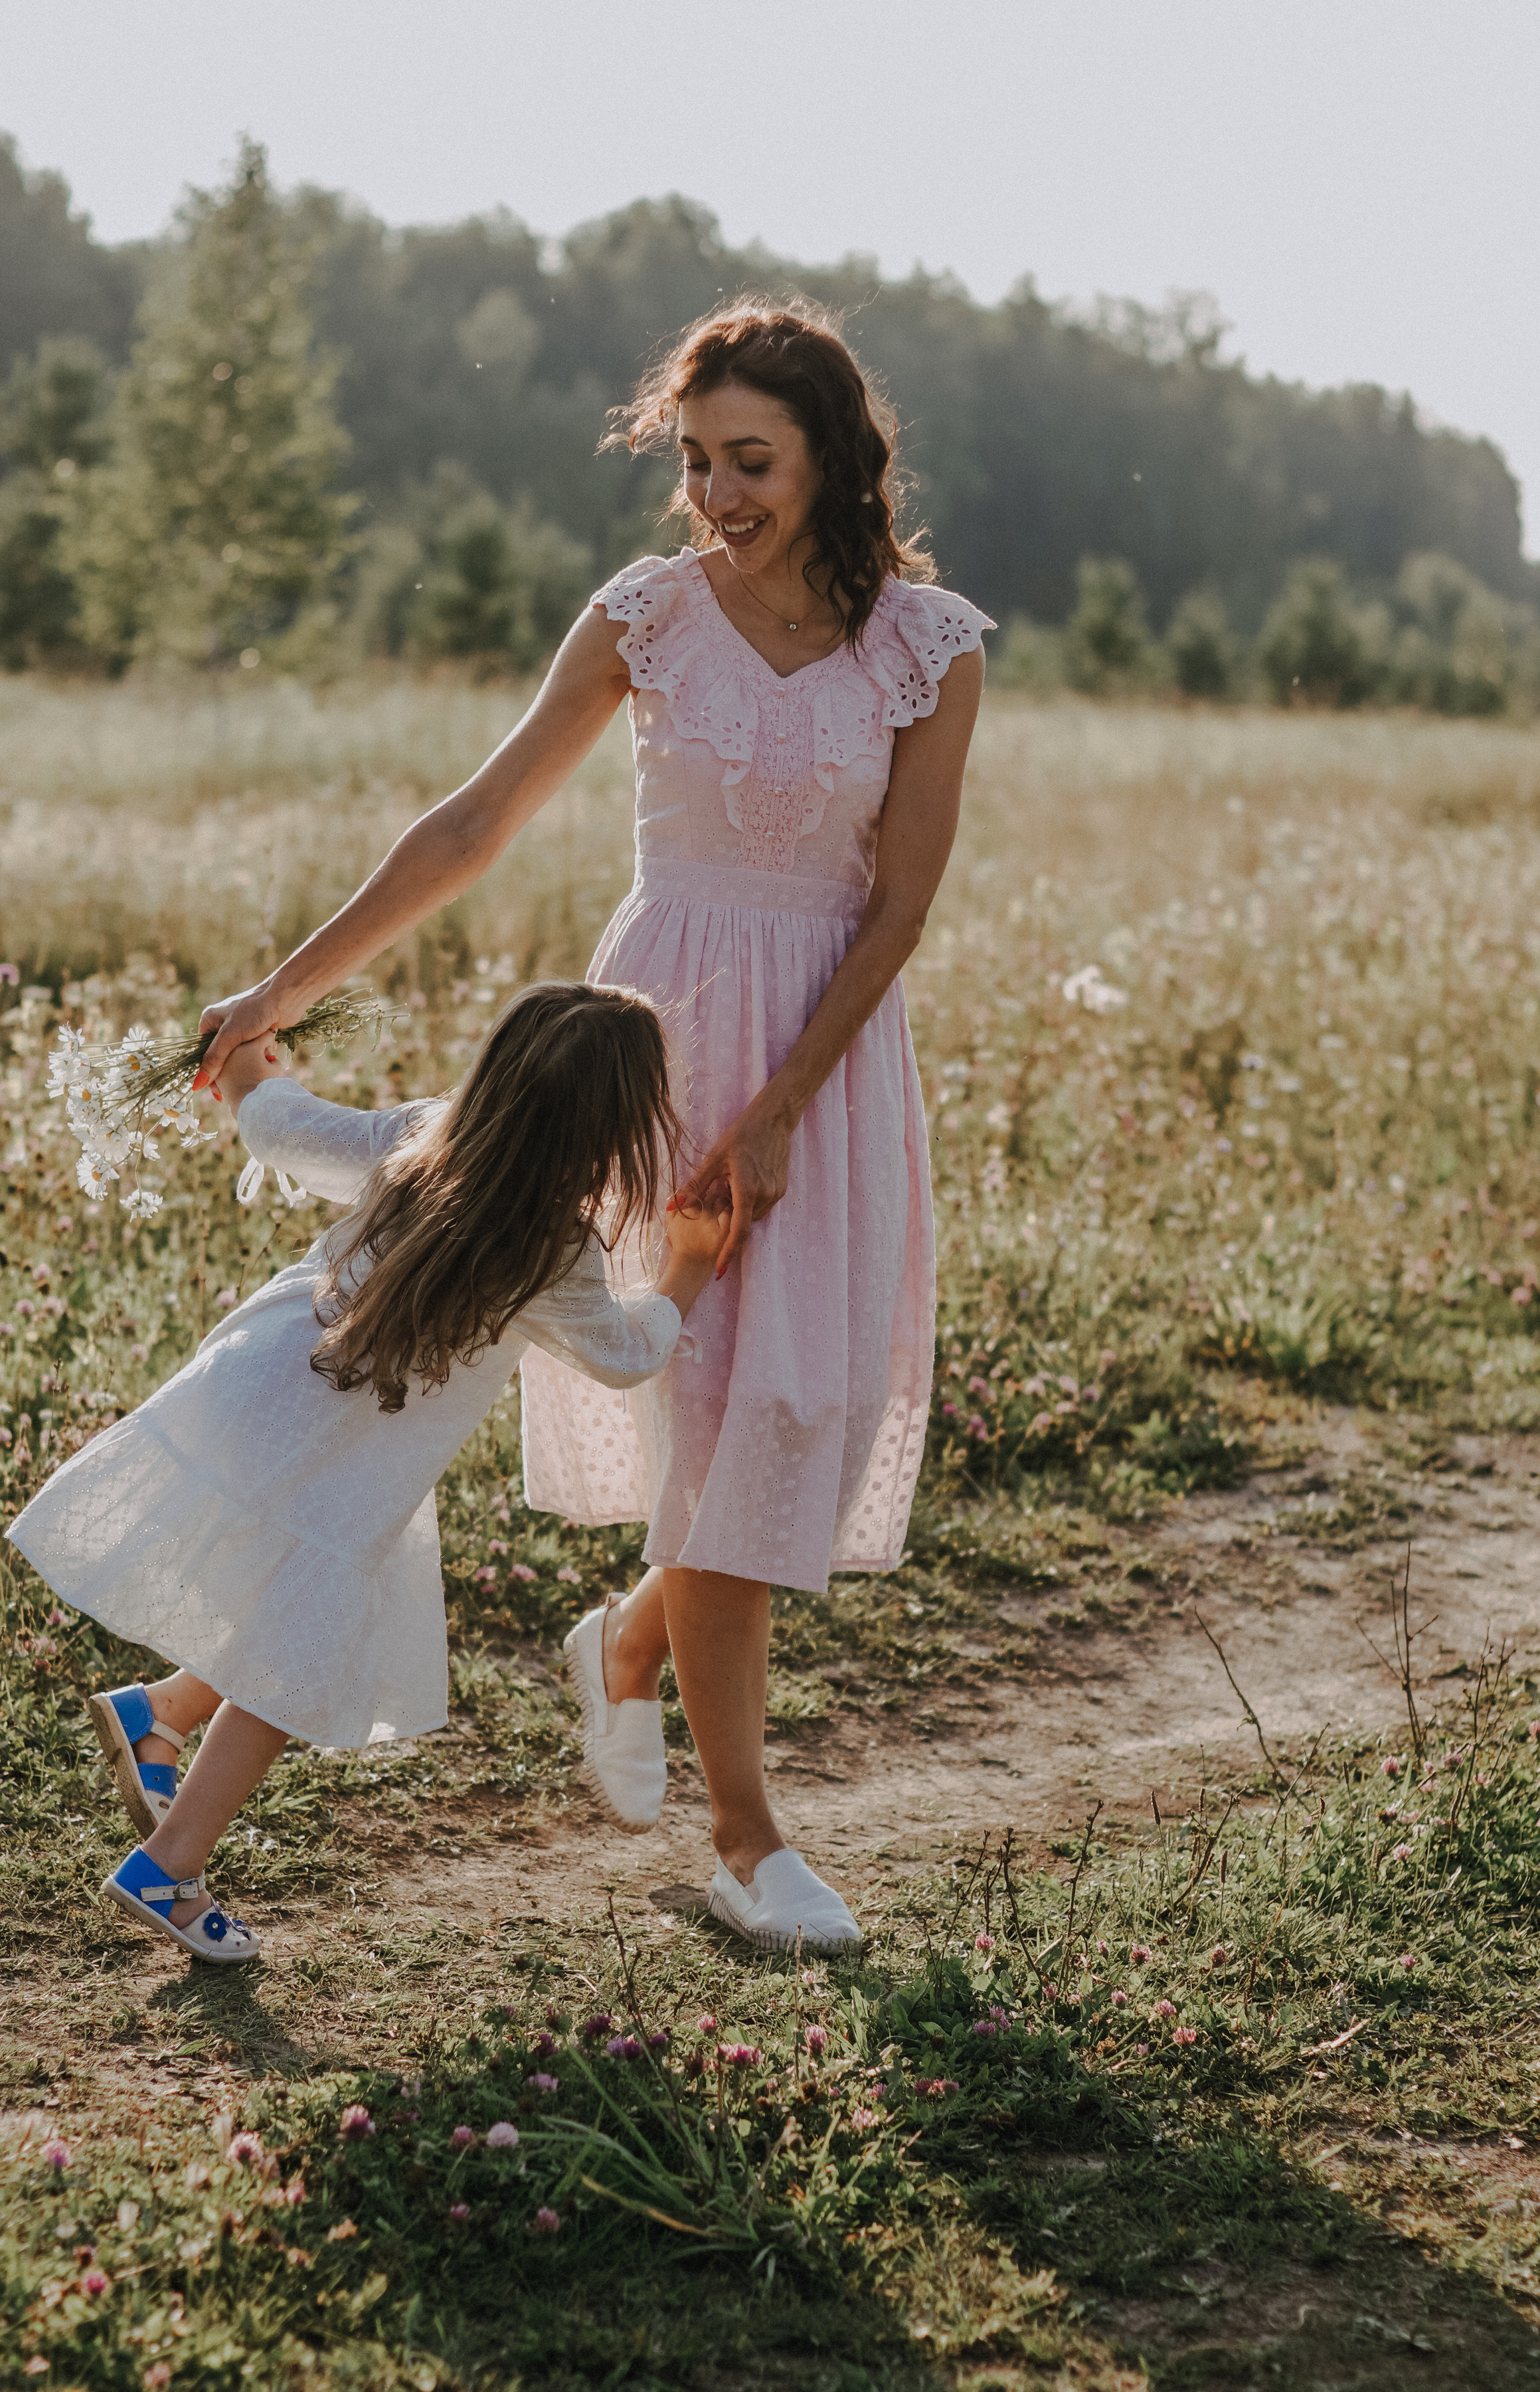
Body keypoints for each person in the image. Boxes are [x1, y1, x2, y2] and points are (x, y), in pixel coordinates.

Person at [195, 302, 991, 1957]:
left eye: (749, 461)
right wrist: (278, 992)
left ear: (832, 457)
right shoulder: (646, 617)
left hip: (826, 1060)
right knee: (704, 1413)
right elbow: (474, 823)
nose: (716, 494)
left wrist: (781, 1109)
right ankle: (746, 1840)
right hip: (647, 1055)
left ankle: (630, 1644)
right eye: (694, 461)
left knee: (792, 1411)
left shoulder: (927, 646)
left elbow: (900, 907)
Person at [8, 983, 727, 1960]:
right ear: (616, 1131)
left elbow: (285, 1130)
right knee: (293, 1660)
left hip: (258, 1384)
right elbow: (628, 1354)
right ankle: (167, 1867)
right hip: (344, 1459)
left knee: (281, 1606)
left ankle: (162, 1713)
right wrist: (690, 1264)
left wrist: (248, 1065)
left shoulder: (418, 1138)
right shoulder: (556, 1248)